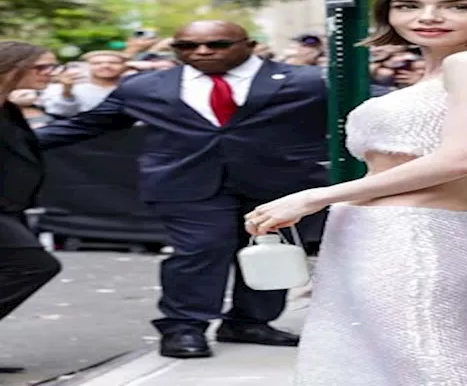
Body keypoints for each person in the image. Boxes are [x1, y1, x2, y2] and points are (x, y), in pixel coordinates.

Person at [245, 0, 467, 385]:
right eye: (408, 6)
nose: (428, 17)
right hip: (384, 233)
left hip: (417, 235)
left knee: (438, 366)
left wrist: (315, 196)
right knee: (377, 366)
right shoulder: (449, 71)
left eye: (458, 7)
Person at [35, 21, 328, 359]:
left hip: (279, 183)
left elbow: (360, 109)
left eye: (217, 44)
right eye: (187, 46)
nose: (202, 52)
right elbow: (88, 124)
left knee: (271, 250)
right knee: (201, 249)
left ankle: (250, 322)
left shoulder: (305, 80)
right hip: (187, 183)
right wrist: (14, 143)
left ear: (248, 45)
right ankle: (184, 327)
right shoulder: (145, 86)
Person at [0, 41, 63, 374]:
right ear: (12, 67)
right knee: (34, 264)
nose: (50, 74)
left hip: (11, 205)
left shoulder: (9, 108)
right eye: (42, 67)